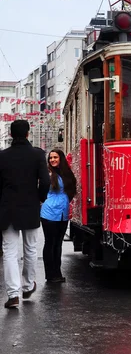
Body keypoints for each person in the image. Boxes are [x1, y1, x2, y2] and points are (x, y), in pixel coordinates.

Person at [0, 120, 50, 309]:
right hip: (30, 207)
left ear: (11, 135)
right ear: (28, 133)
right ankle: (28, 285)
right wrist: (40, 198)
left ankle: (13, 294)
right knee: (30, 249)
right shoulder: (37, 154)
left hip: (7, 209)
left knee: (9, 252)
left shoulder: (2, 156)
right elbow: (45, 181)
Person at [41, 149, 77, 283]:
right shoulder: (48, 174)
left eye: (55, 157)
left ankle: (57, 272)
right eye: (50, 158)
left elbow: (72, 190)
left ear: (61, 158)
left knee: (58, 244)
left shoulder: (67, 174)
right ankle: (50, 274)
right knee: (50, 243)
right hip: (49, 213)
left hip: (63, 213)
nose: (52, 160)